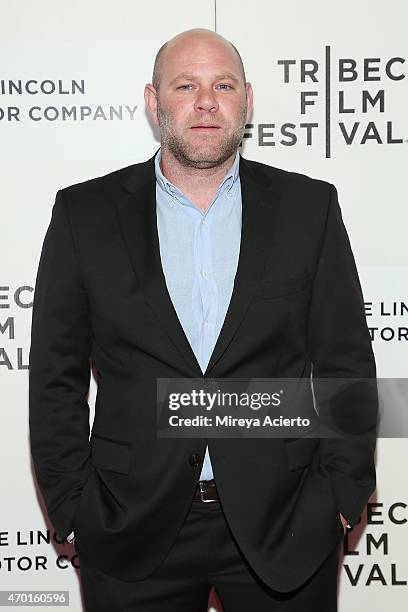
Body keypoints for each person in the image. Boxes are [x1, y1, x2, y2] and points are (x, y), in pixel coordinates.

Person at [29, 28, 377, 611]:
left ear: (247, 99)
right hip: (130, 523)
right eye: (185, 85)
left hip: (286, 519)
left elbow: (346, 360)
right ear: (153, 100)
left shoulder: (309, 207)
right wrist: (72, 504)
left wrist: (342, 491)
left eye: (223, 85)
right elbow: (54, 377)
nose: (206, 101)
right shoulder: (83, 214)